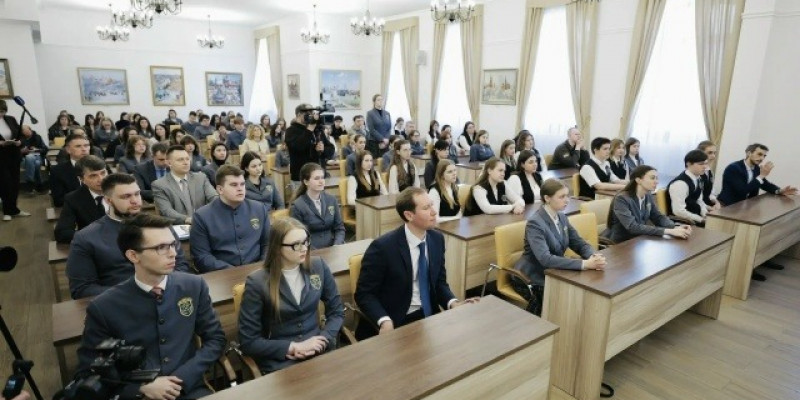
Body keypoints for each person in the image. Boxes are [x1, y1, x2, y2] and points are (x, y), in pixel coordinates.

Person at [77, 213, 225, 400]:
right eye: (161, 248)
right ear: (133, 255)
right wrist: (140, 388)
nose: (173, 253)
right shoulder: (103, 306)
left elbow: (215, 339)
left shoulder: (193, 286)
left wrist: (180, 379)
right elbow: (89, 370)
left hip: (188, 389)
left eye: (173, 245)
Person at [355, 187, 478, 339]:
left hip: (429, 314)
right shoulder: (383, 247)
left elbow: (439, 282)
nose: (434, 212)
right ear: (409, 215)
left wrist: (453, 303)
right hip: (397, 318)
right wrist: (384, 321)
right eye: (426, 208)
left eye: (432, 205)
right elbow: (364, 294)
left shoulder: (437, 239)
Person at [238, 217, 344, 374]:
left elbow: (336, 312)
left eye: (306, 241)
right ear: (277, 248)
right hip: (281, 361)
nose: (304, 248)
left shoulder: (319, 266)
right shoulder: (257, 282)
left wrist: (323, 339)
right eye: (296, 245)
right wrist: (292, 347)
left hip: (319, 350)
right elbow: (248, 342)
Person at [67, 173, 191, 299]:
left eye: (137, 194)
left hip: (167, 293)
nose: (135, 201)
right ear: (108, 200)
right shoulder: (87, 238)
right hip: (119, 301)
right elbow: (82, 289)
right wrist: (136, 292)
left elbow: (181, 265)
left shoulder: (160, 226)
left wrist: (161, 287)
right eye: (126, 196)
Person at [514, 179, 606, 315]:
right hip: (532, 276)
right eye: (562, 197)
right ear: (547, 198)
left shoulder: (562, 217)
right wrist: (585, 264)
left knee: (580, 292)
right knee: (558, 302)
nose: (567, 200)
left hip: (555, 271)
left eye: (567, 195)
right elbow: (545, 259)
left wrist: (593, 256)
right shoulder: (535, 223)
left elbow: (579, 243)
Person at [190, 165, 270, 273]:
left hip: (258, 270)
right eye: (234, 185)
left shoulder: (259, 209)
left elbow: (268, 244)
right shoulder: (202, 216)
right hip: (221, 274)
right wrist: (233, 271)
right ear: (220, 189)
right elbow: (201, 256)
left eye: (242, 184)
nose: (240, 188)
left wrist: (262, 266)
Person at [604, 165, 692, 243]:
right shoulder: (621, 199)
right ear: (638, 180)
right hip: (622, 243)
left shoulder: (647, 195)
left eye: (657, 178)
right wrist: (668, 231)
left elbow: (658, 217)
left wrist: (675, 227)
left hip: (640, 240)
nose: (656, 181)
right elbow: (632, 227)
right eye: (652, 178)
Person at [152, 145, 218, 225]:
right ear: (169, 163)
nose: (186, 162)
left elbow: (214, 197)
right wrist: (189, 220)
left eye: (187, 159)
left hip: (203, 224)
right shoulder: (159, 185)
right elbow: (166, 211)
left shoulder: (201, 178)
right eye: (180, 160)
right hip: (179, 226)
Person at [717, 143, 797, 206]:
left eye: (764, 156)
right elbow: (742, 191)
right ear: (749, 153)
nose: (762, 158)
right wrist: (761, 176)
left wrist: (779, 191)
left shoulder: (756, 168)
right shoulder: (733, 168)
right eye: (759, 154)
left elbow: (765, 184)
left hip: (744, 206)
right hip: (727, 206)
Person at [290, 163, 346, 249]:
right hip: (310, 250)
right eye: (316, 178)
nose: (321, 181)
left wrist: (337, 245)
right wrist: (315, 252)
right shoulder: (298, 205)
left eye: (322, 177)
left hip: (333, 247)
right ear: (306, 182)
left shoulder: (331, 200)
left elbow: (339, 228)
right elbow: (299, 236)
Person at [54, 156, 108, 243]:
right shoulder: (73, 199)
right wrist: (93, 237)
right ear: (81, 179)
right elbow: (62, 232)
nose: (101, 179)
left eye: (103, 173)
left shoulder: (122, 191)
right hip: (94, 244)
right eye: (93, 176)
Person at [0, 100, 30, 221]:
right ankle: (7, 211)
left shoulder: (11, 119)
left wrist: (20, 142)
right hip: (1, 158)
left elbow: (21, 135)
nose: (1, 114)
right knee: (5, 184)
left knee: (15, 183)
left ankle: (14, 210)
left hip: (13, 155)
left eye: (2, 111)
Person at [666, 150, 710, 226]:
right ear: (689, 164)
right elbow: (678, 211)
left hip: (696, 218)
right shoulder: (680, 183)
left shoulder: (698, 178)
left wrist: (705, 214)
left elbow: (699, 201)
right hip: (684, 222)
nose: (705, 167)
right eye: (701, 164)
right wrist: (700, 219)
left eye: (706, 163)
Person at [50, 133, 91, 207]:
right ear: (68, 150)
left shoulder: (100, 166)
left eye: (86, 145)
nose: (84, 149)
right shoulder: (57, 171)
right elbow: (58, 201)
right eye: (78, 146)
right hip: (75, 209)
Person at [285, 104, 321, 185]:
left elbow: (330, 148)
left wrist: (321, 149)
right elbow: (298, 146)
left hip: (316, 173)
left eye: (312, 113)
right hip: (300, 175)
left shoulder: (315, 129)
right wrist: (310, 130)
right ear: (299, 115)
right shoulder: (290, 131)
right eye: (308, 114)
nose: (311, 116)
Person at [18, 124, 48, 194]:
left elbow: (45, 149)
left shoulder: (37, 137)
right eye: (22, 131)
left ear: (30, 129)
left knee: (31, 158)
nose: (24, 132)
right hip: (24, 159)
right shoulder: (20, 140)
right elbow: (15, 152)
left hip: (37, 157)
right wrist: (21, 151)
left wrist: (37, 149)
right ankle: (39, 186)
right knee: (35, 163)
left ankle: (29, 183)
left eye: (25, 130)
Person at [696, 140, 720, 210]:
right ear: (700, 153)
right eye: (710, 153)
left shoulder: (709, 172)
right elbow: (695, 198)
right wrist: (709, 208)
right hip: (697, 208)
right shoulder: (695, 173)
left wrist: (716, 202)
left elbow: (710, 193)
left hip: (707, 206)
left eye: (714, 153)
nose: (713, 156)